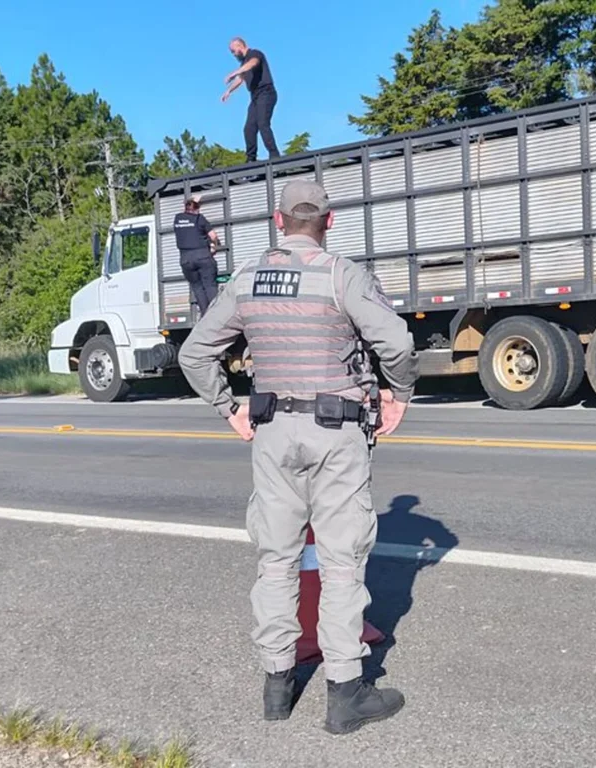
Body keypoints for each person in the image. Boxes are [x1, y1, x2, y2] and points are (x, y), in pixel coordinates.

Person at [178, 178, 419, 735]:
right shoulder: (342, 275)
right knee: (339, 564)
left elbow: (196, 353)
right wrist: (398, 395)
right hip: (336, 432)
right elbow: (397, 344)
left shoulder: (246, 280)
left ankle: (277, 690)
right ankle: (345, 695)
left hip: (271, 432)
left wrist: (227, 408)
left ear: (277, 220)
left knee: (277, 560)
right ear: (329, 223)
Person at [223, 37, 280, 163]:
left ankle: (274, 155)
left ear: (240, 46)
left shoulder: (255, 54)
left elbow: (253, 63)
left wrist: (234, 72)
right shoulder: (243, 64)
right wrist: (229, 91)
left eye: (233, 51)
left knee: (262, 123)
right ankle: (251, 159)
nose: (233, 55)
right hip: (255, 96)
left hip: (266, 92)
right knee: (249, 128)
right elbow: (240, 78)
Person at [173, 195, 220, 314]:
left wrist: (192, 200)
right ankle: (216, 313)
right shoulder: (199, 219)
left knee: (197, 288)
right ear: (197, 208)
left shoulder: (177, 219)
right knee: (210, 285)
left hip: (186, 260)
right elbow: (213, 236)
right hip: (202, 256)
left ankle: (205, 314)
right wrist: (214, 246)